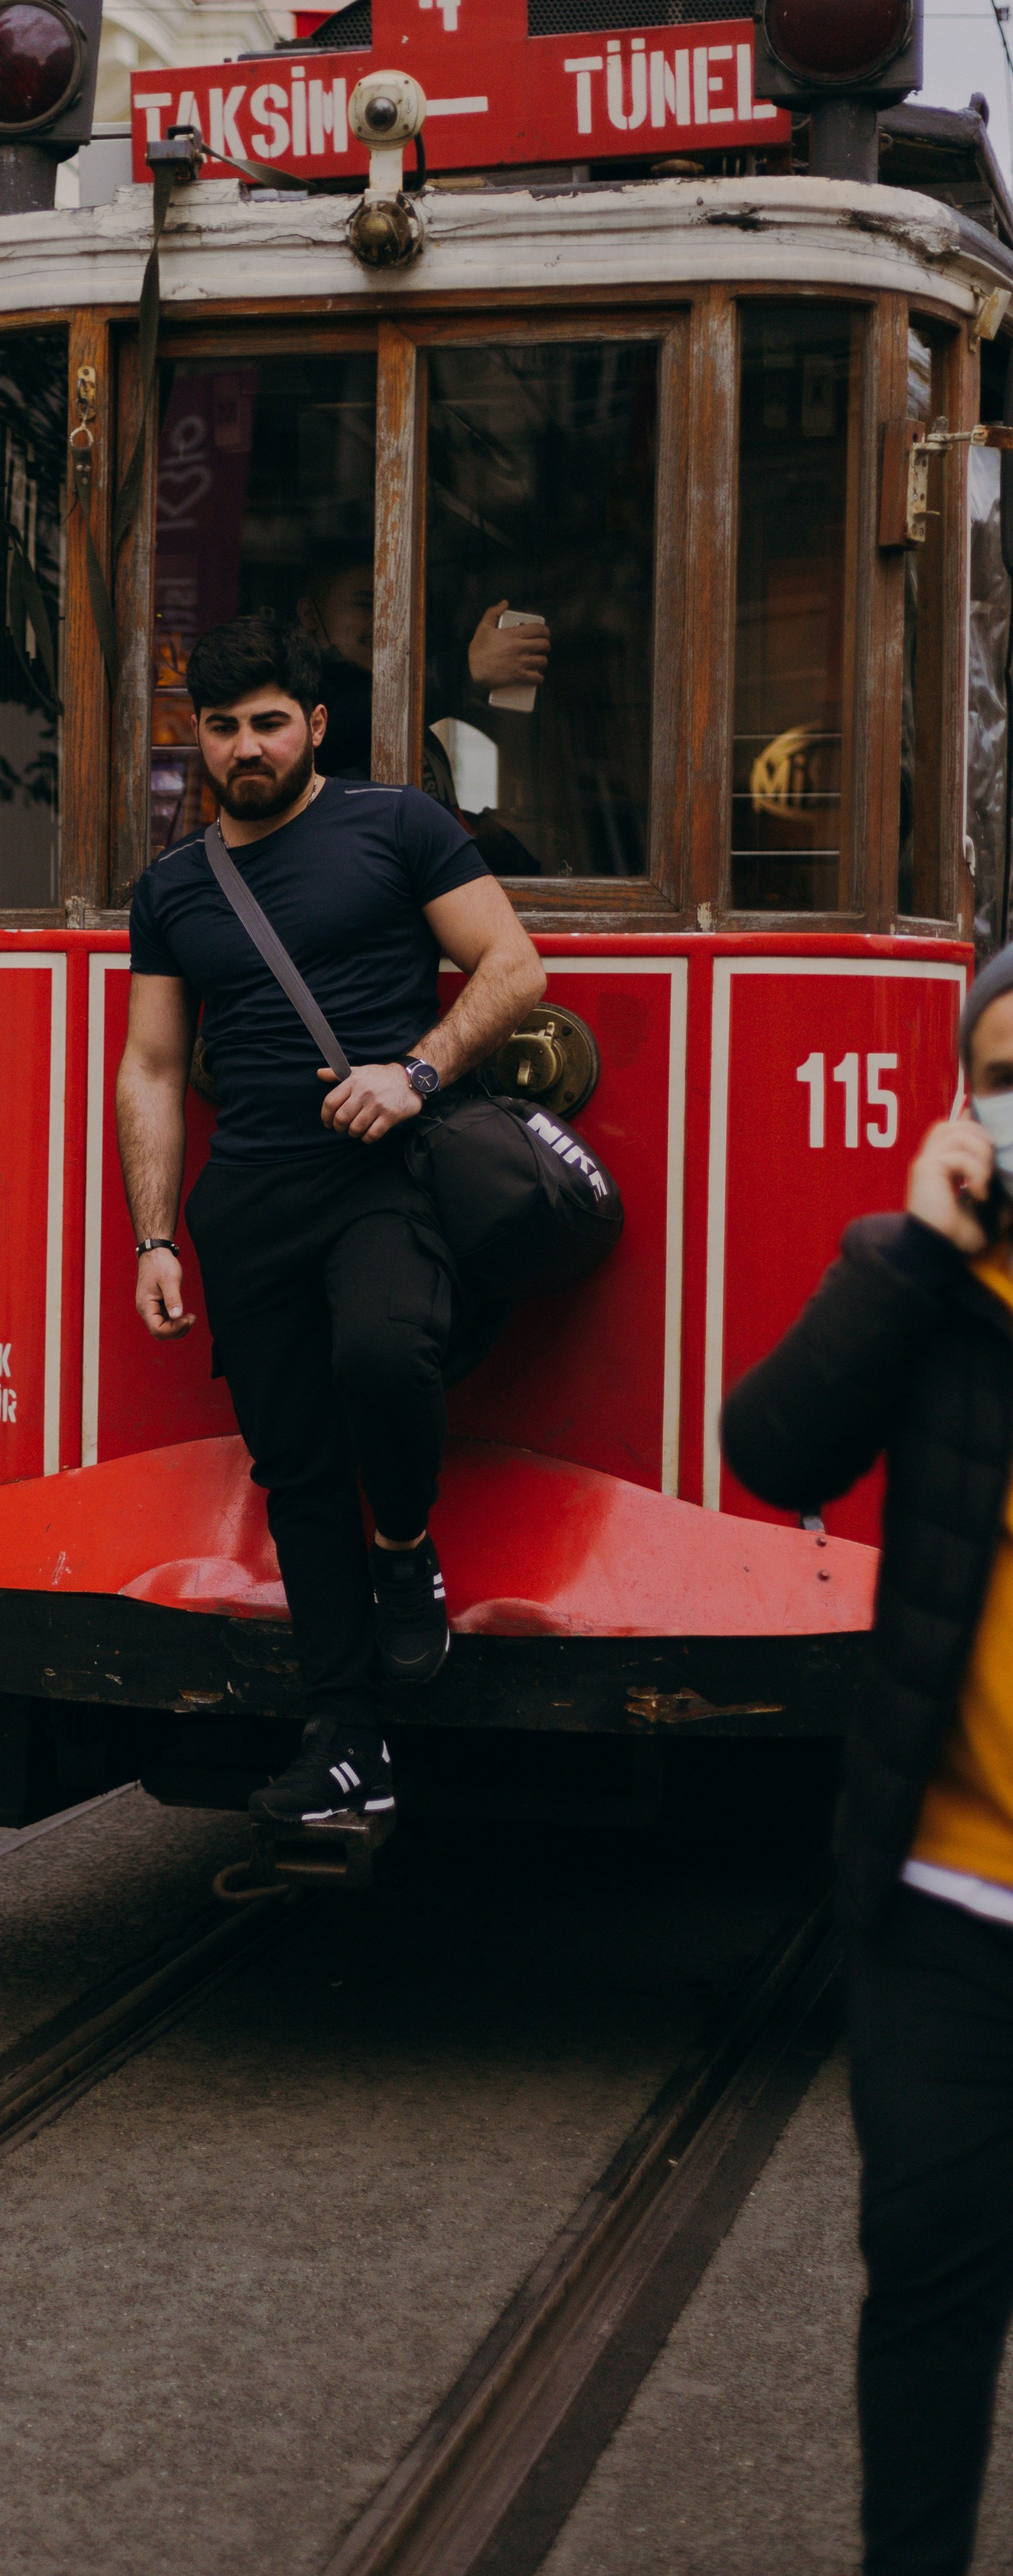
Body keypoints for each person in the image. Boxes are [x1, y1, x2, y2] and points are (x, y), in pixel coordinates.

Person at [116, 609, 543, 1830]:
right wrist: (155, 1238)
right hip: (248, 1198)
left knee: (384, 1356)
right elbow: (153, 1066)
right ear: (199, 739)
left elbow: (515, 969)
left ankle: (404, 1548)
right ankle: (345, 1738)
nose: (245, 747)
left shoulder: (398, 825)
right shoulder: (173, 887)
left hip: (380, 1171)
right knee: (297, 1467)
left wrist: (415, 1072)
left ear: (313, 725)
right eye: (222, 727)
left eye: (267, 723)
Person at [722, 939, 1013, 2576]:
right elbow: (769, 1452)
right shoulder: (919, 1281)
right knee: (924, 2271)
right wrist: (909, 1253)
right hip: (946, 1904)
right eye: (1002, 1078)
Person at [296, 552, 550, 869]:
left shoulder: (422, 733)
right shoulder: (309, 709)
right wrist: (467, 669)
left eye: (396, 608)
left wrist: (489, 833)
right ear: (311, 615)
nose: (385, 621)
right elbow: (349, 728)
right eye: (366, 604)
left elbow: (426, 827)